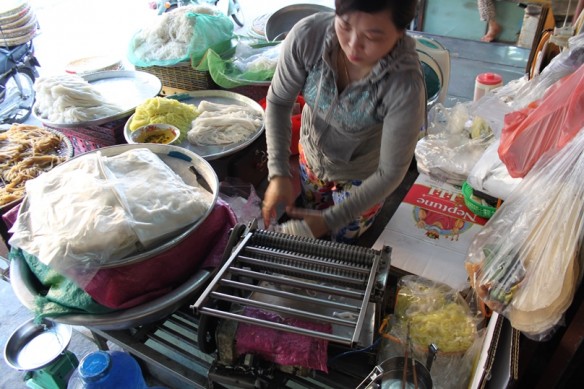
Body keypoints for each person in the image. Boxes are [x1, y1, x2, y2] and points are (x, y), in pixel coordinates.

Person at [261, 0, 426, 243]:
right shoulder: (308, 38)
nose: (353, 45)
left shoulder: (404, 85)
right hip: (312, 157)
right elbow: (278, 102)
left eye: (372, 36)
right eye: (345, 25)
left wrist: (329, 221)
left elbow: (391, 172)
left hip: (365, 178)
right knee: (309, 217)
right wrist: (278, 172)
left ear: (400, 31)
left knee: (346, 237)